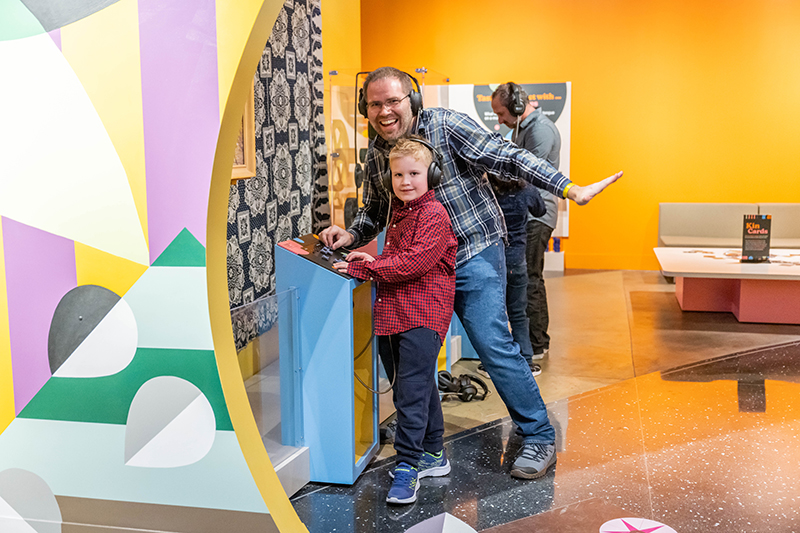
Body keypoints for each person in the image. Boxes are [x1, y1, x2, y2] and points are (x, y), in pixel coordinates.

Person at [321, 67, 622, 480]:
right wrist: (349, 234)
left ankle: (538, 435)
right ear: (365, 108)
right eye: (375, 104)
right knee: (411, 354)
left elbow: (509, 157)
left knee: (492, 344)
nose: (385, 111)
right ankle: (423, 439)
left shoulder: (446, 126)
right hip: (422, 268)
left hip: (472, 254)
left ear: (413, 99)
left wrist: (568, 188)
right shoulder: (376, 153)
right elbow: (374, 211)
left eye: (393, 101)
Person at [333, 136, 457, 505]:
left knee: (409, 392)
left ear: (431, 175)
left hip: (423, 314)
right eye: (398, 174)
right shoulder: (400, 212)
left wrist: (370, 267)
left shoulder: (433, 214)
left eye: (414, 173)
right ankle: (433, 454)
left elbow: (415, 261)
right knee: (417, 386)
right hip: (397, 313)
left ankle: (407, 467)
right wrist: (365, 256)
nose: (406, 181)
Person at [492, 83, 562, 363]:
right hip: (531, 215)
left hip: (537, 216)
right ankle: (534, 341)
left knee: (530, 279)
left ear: (518, 108)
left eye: (501, 113)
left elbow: (529, 173)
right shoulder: (525, 130)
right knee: (531, 278)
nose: (499, 120)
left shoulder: (540, 131)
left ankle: (534, 343)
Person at [478, 173, 546, 378]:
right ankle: (526, 360)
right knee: (518, 313)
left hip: (493, 260)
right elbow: (540, 210)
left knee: (494, 316)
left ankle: (495, 364)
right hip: (517, 261)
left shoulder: (487, 191)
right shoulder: (527, 190)